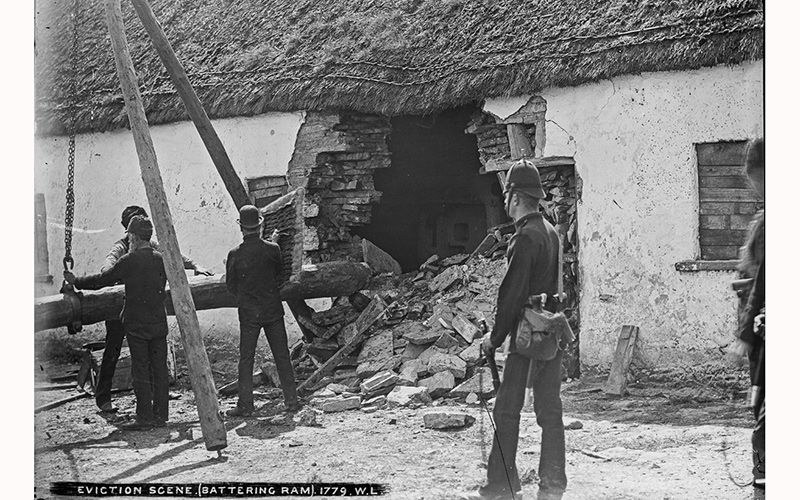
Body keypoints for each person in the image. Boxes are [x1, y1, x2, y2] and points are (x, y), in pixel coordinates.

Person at [471, 160, 566, 500]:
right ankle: (553, 483)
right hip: (551, 332)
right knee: (550, 411)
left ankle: (501, 485)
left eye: (506, 196)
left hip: (526, 337)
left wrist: (494, 339)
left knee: (506, 410)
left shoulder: (524, 237)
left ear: (513, 197)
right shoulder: (551, 232)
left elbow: (510, 297)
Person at [94, 205, 211, 413]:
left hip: (142, 309)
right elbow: (108, 267)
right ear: (129, 231)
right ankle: (103, 398)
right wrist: (119, 274)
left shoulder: (151, 245)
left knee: (154, 352)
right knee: (112, 349)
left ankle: (158, 394)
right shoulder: (120, 248)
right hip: (121, 306)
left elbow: (173, 255)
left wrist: (195, 265)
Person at [66, 216, 170, 430]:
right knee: (159, 369)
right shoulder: (160, 259)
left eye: (130, 237)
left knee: (140, 370)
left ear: (134, 237)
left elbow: (102, 280)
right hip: (158, 322)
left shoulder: (128, 261)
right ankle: (161, 416)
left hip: (136, 324)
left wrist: (76, 282)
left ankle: (145, 418)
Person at [225, 205, 299, 416]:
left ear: (241, 227)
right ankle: (291, 401)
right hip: (272, 309)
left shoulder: (234, 254)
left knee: (246, 359)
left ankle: (245, 406)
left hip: (249, 313)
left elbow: (231, 286)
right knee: (282, 356)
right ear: (260, 226)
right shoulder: (273, 249)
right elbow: (279, 275)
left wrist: (246, 296)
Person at [730, 138, 765, 496]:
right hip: (758, 328)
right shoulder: (762, 219)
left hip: (763, 332)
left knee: (764, 409)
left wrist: (745, 333)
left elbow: (764, 280)